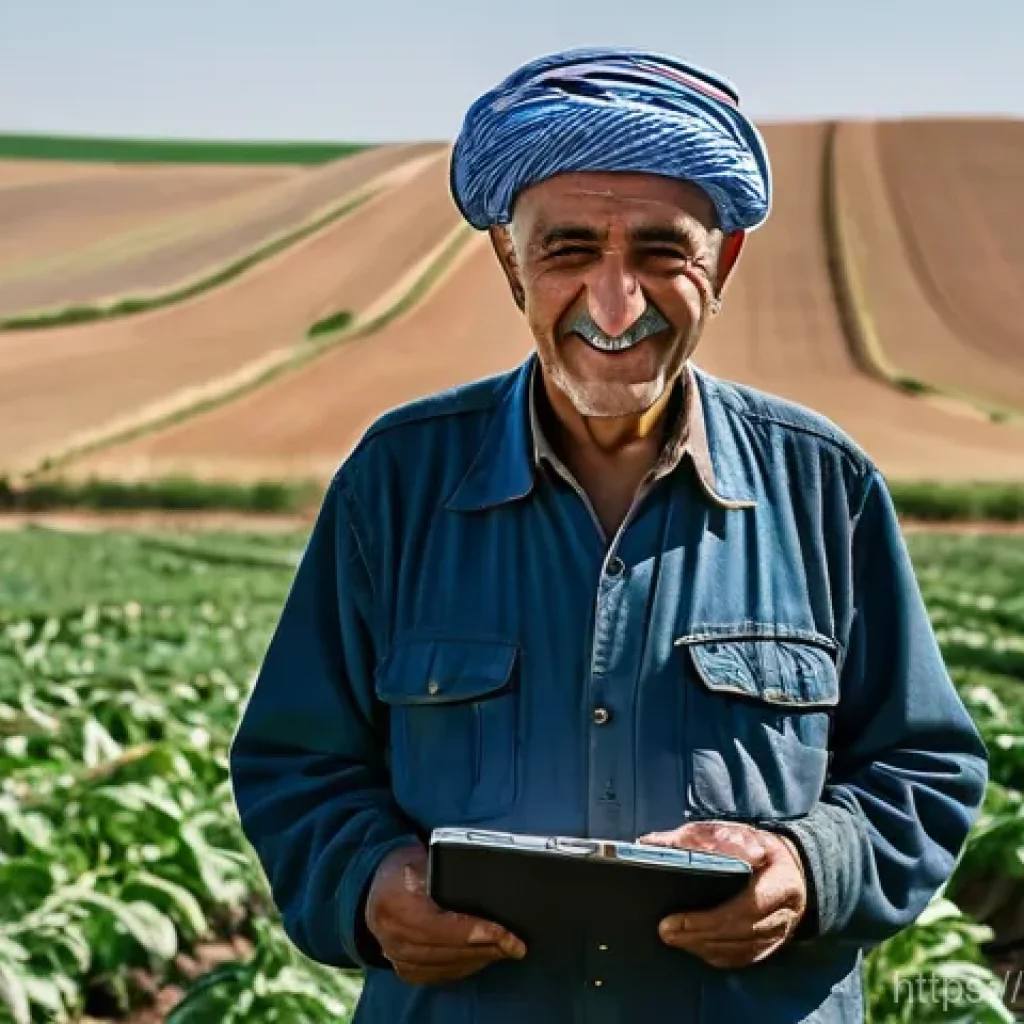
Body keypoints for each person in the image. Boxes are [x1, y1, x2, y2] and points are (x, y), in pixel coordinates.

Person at [228, 48, 989, 1023]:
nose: (616, 302)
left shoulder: (822, 485)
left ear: (724, 261)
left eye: (662, 253)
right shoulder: (398, 481)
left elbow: (922, 765)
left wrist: (807, 867)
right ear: (510, 262)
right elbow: (296, 763)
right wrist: (368, 882)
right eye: (570, 250)